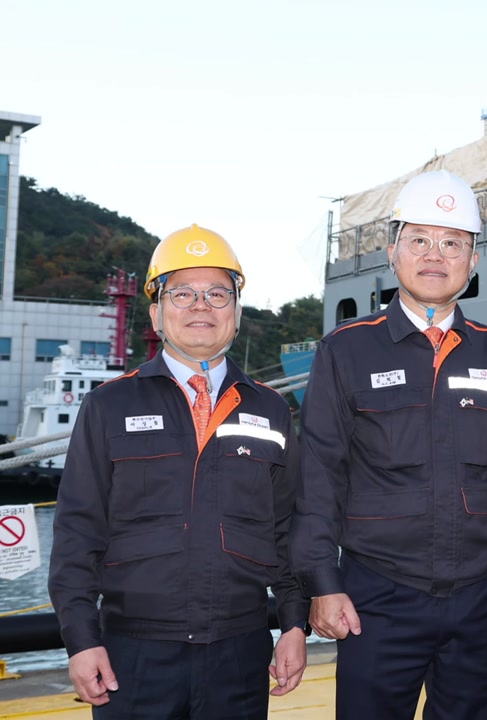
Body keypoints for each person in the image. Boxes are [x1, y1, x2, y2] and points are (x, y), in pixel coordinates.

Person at [290, 170, 487, 720]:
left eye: (452, 243)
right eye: (419, 239)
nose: (434, 255)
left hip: (482, 597)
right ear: (393, 251)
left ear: (473, 262)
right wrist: (322, 584)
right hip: (378, 598)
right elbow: (319, 478)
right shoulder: (346, 351)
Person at [48, 225, 307, 718]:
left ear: (235, 311)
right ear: (156, 312)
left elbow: (287, 528)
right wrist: (81, 640)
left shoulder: (271, 409)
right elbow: (78, 532)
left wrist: (293, 623)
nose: (200, 306)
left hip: (239, 651)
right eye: (182, 294)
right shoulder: (108, 405)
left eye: (216, 294)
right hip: (133, 653)